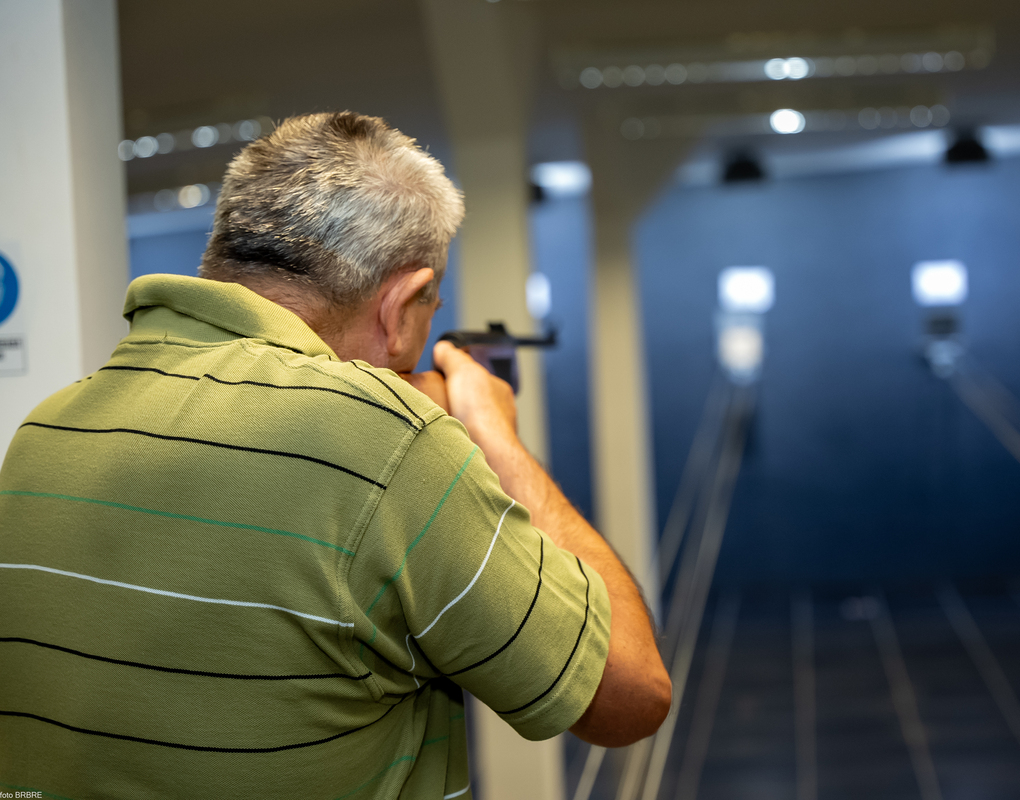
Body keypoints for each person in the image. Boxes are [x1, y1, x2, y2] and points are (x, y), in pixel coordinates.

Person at [0, 111, 670, 799]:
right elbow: (632, 693)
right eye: (429, 309)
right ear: (399, 306)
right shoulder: (389, 442)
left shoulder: (45, 430)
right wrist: (495, 437)